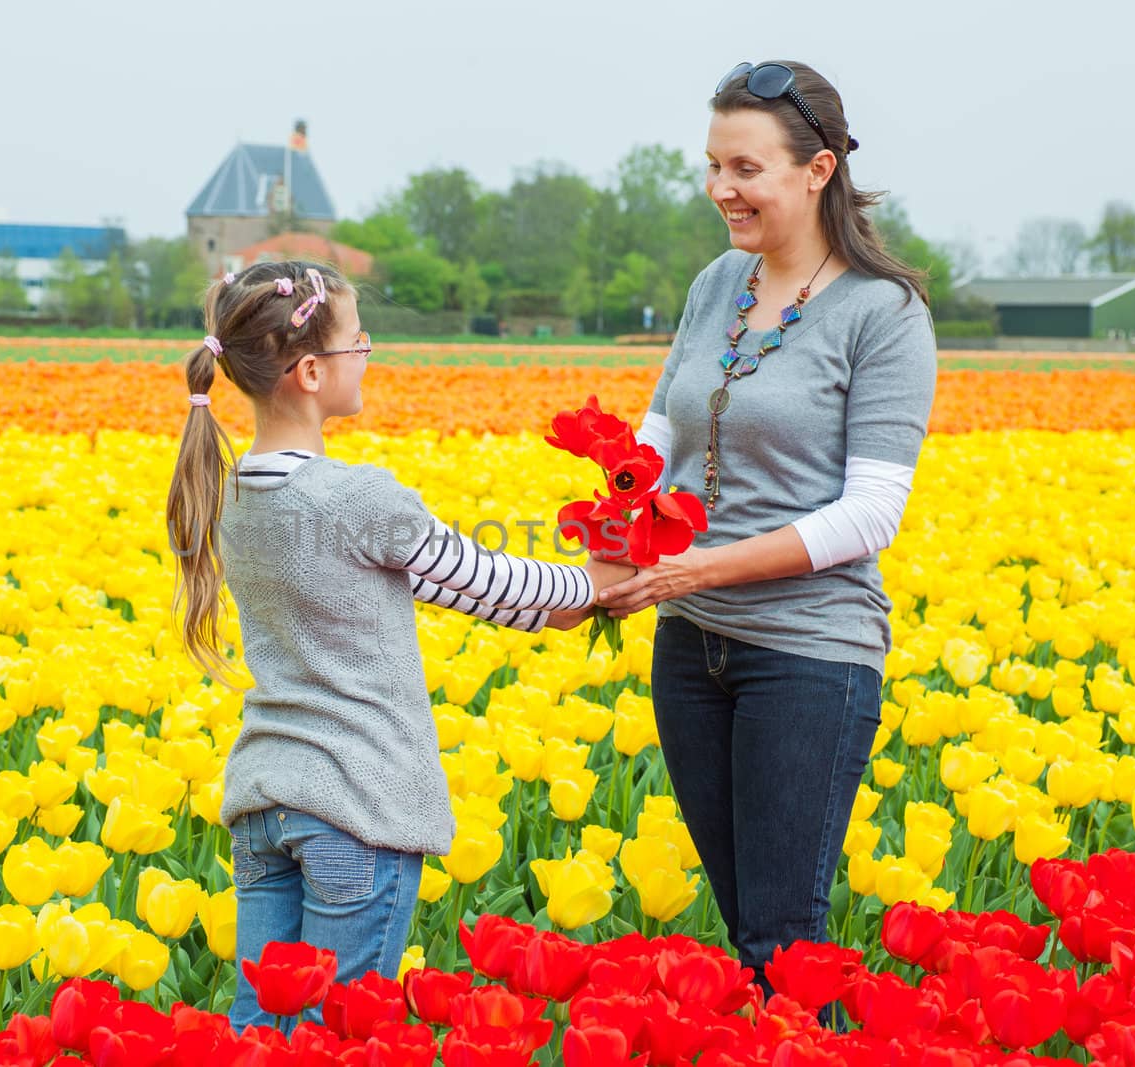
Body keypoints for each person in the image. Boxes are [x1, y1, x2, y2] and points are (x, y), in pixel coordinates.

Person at [165, 260, 629, 1032]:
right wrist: (598, 584)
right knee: (343, 1034)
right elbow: (486, 580)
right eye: (358, 342)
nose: (368, 354)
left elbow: (464, 585)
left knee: (261, 1028)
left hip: (264, 797)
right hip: (355, 801)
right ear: (311, 371)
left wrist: (576, 597)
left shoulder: (227, 491)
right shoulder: (355, 497)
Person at [597, 61, 937, 1019]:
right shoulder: (719, 283)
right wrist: (616, 507)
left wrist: (698, 566)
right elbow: (663, 427)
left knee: (783, 937)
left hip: (806, 651)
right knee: (742, 922)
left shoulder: (884, 312)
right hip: (690, 644)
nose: (721, 190)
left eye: (744, 168)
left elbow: (871, 514)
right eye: (712, 167)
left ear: (818, 170)